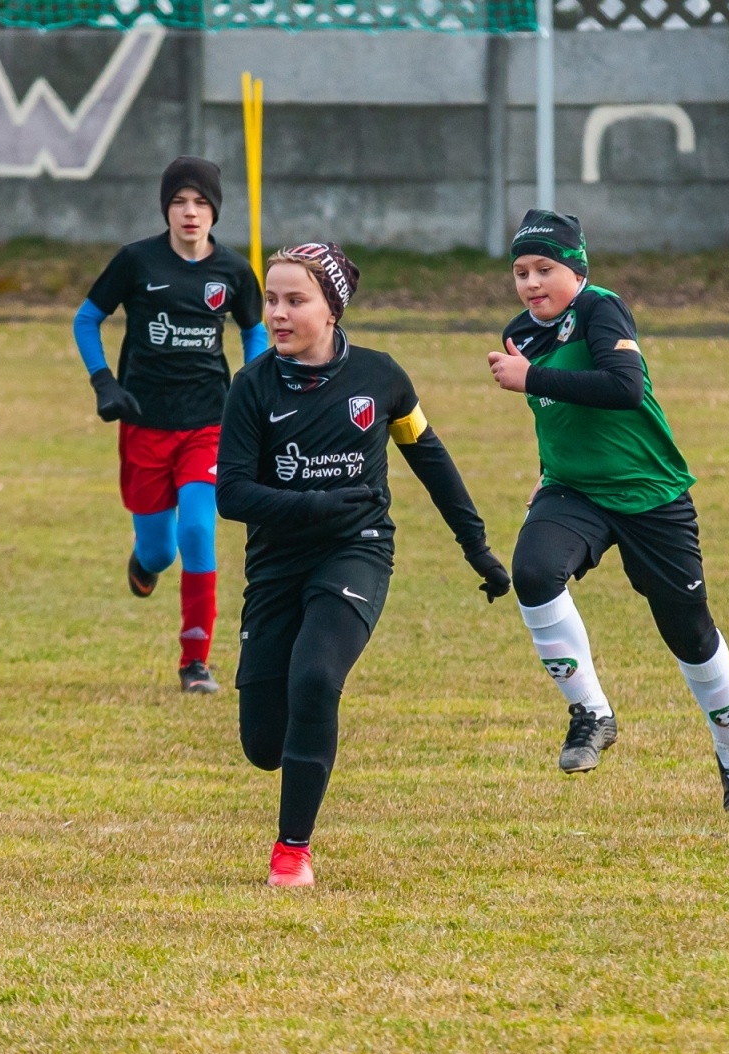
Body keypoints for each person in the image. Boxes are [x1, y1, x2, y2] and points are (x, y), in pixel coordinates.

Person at [218, 243, 512, 888]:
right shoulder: (252, 387)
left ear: (332, 308)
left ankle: (291, 852)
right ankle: (296, 751)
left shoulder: (380, 379)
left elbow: (431, 462)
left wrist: (478, 548)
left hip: (358, 550)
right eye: (272, 300)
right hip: (275, 566)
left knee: (317, 678)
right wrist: (316, 502)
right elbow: (231, 495)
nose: (278, 314)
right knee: (263, 745)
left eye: (296, 300)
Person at [487, 208, 729, 812]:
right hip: (575, 491)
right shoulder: (523, 331)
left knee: (690, 633)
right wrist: (545, 472)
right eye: (521, 272)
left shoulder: (601, 309)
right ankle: (591, 712)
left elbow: (623, 388)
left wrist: (532, 378)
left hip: (651, 495)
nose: (532, 283)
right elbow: (560, 417)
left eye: (545, 269)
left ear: (577, 270)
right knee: (532, 573)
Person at [74, 157, 267, 693]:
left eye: (201, 203)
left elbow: (254, 331)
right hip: (144, 423)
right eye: (180, 202)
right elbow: (87, 318)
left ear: (214, 212)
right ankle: (144, 561)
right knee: (160, 550)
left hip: (209, 423)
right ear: (166, 208)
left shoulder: (231, 271)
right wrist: (103, 382)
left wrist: (249, 385)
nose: (190, 212)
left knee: (199, 531)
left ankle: (195, 662)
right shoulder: (136, 261)